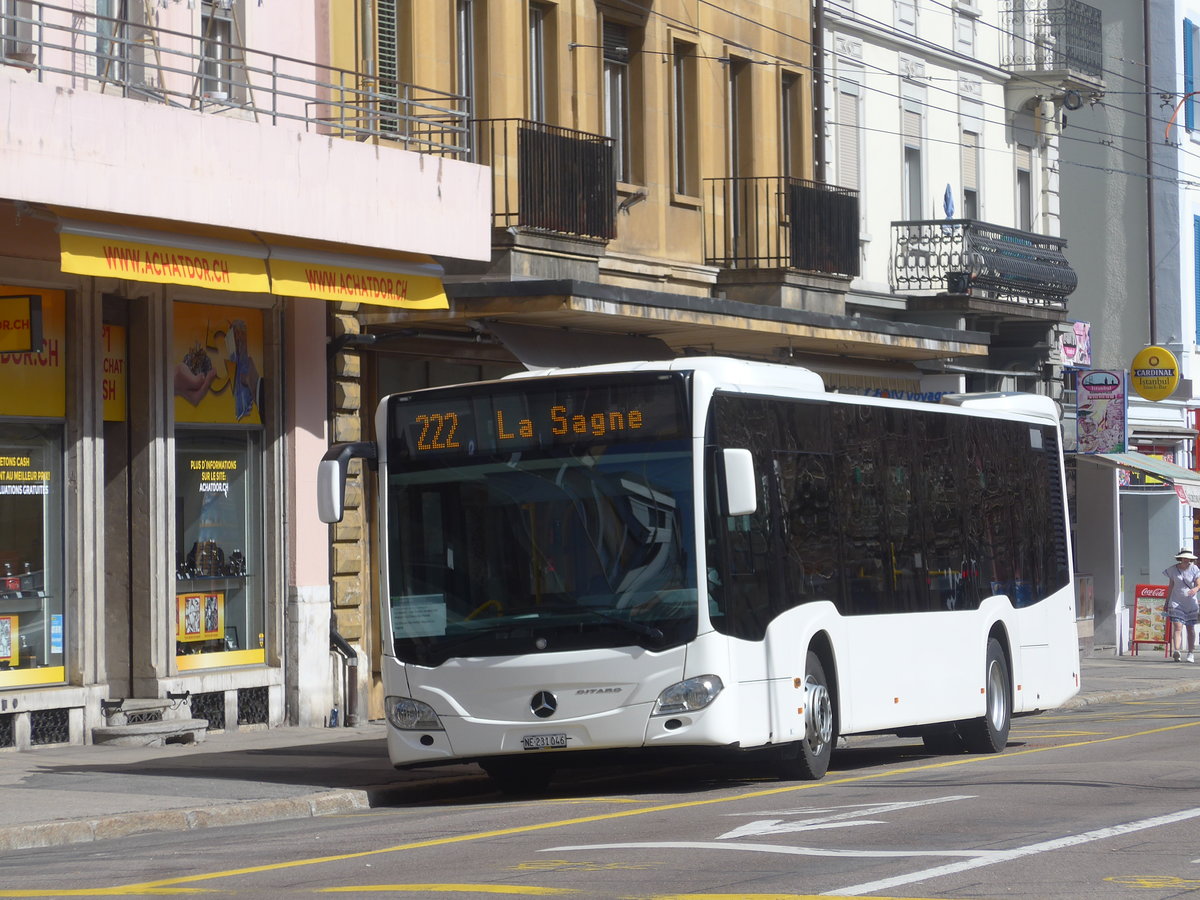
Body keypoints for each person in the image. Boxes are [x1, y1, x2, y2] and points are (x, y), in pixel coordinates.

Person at [1162, 548, 1200, 662]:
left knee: (1190, 628)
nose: (1186, 560)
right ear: (1180, 558)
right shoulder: (1173, 570)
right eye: (1184, 557)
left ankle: (1190, 653)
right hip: (1176, 602)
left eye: (1188, 558)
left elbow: (1199, 584)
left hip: (1190, 603)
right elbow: (1171, 586)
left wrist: (1195, 589)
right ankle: (1177, 651)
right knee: (1178, 626)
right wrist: (1167, 601)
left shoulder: (1194, 569)